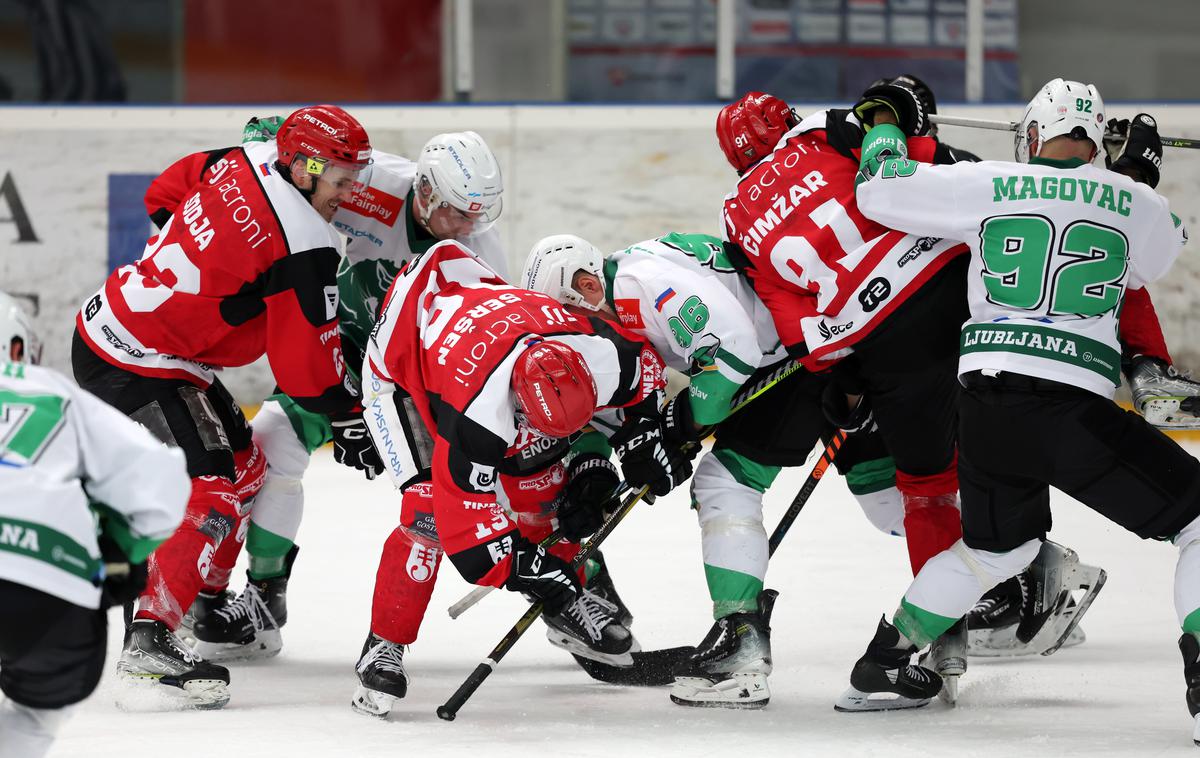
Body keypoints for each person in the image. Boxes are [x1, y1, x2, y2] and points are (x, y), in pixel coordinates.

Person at [835, 79, 1198, 733]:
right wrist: (1138, 169)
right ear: (1097, 141)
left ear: (1032, 135)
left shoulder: (990, 182)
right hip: (1069, 404)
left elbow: (879, 187)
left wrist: (885, 120)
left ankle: (884, 665)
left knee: (997, 550)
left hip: (985, 405)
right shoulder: (1132, 200)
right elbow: (1153, 255)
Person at [72, 104, 374, 708]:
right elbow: (303, 366)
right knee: (210, 486)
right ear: (306, 167)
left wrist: (200, 268)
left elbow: (166, 188)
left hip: (135, 335)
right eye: (342, 180)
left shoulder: (244, 158)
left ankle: (200, 602)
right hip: (134, 360)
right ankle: (149, 642)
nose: (352, 193)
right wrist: (346, 416)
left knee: (247, 468)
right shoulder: (305, 240)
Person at [523, 231, 905, 707]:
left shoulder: (646, 283)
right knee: (889, 501)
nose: (580, 332)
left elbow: (733, 348)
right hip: (820, 348)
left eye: (575, 317)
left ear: (588, 286)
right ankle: (992, 561)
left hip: (801, 356)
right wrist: (596, 469)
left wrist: (684, 422)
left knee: (725, 482)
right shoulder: (618, 305)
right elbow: (618, 408)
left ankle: (740, 647)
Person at [188, 125, 507, 662]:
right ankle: (265, 600)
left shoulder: (481, 251)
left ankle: (576, 593)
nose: (468, 227)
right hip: (346, 352)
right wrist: (268, 140)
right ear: (424, 191)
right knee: (270, 448)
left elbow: (485, 344)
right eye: (457, 211)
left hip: (415, 380)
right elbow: (298, 151)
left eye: (479, 214)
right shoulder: (371, 182)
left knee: (461, 495)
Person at [351, 240, 691, 716]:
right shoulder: (476, 413)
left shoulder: (599, 350)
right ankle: (382, 645)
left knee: (544, 482)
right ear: (514, 404)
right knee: (426, 514)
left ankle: (566, 603)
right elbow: (466, 536)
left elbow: (648, 382)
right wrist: (526, 569)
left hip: (499, 328)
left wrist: (631, 445)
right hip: (402, 369)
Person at [0, 299, 189, 758]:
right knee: (37, 716)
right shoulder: (58, 395)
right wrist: (122, 549)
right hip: (52, 592)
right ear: (20, 348)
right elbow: (161, 484)